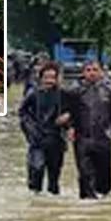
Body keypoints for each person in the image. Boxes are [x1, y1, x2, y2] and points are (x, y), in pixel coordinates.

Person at [69, 59, 111, 200]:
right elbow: (67, 112)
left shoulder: (110, 92)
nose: (92, 73)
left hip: (103, 139)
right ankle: (87, 203)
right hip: (82, 139)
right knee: (85, 175)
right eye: (88, 70)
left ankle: (102, 202)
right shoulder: (75, 92)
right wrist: (69, 127)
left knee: (104, 180)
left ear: (101, 72)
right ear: (83, 73)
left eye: (95, 70)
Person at [19, 62, 72, 195]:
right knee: (37, 169)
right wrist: (30, 131)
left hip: (56, 139)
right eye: (46, 77)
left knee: (54, 177)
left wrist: (68, 117)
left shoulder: (63, 94)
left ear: (57, 78)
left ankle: (53, 200)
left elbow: (75, 109)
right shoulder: (33, 94)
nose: (49, 81)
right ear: (41, 78)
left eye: (52, 77)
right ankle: (35, 198)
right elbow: (22, 113)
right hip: (37, 138)